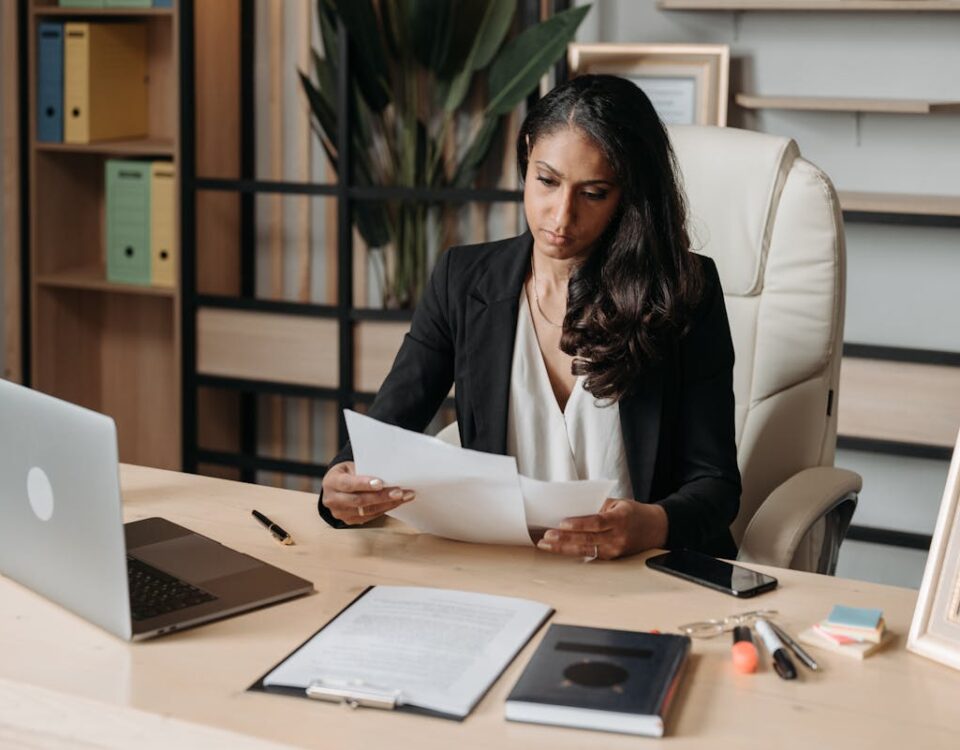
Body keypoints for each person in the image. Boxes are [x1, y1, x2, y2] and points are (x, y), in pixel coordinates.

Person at [318, 74, 740, 560]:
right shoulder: (464, 280)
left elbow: (717, 486)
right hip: (508, 568)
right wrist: (343, 483)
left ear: (630, 195)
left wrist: (649, 525)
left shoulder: (683, 291)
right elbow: (385, 430)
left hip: (644, 570)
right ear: (526, 158)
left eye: (594, 193)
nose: (560, 217)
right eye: (546, 181)